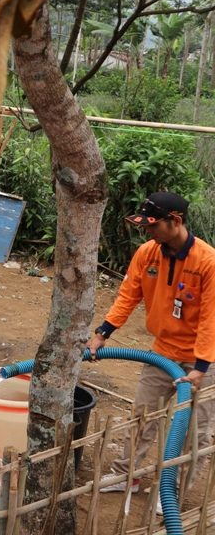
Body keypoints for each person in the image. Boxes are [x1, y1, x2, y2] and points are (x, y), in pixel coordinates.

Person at [89, 192, 215, 504]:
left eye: (153, 225)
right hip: (163, 349)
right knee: (143, 416)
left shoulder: (208, 262)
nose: (148, 231)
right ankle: (125, 475)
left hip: (205, 360)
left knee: (194, 429)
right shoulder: (148, 253)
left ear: (175, 221)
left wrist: (201, 368)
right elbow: (128, 294)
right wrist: (103, 332)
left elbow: (212, 318)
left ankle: (172, 489)